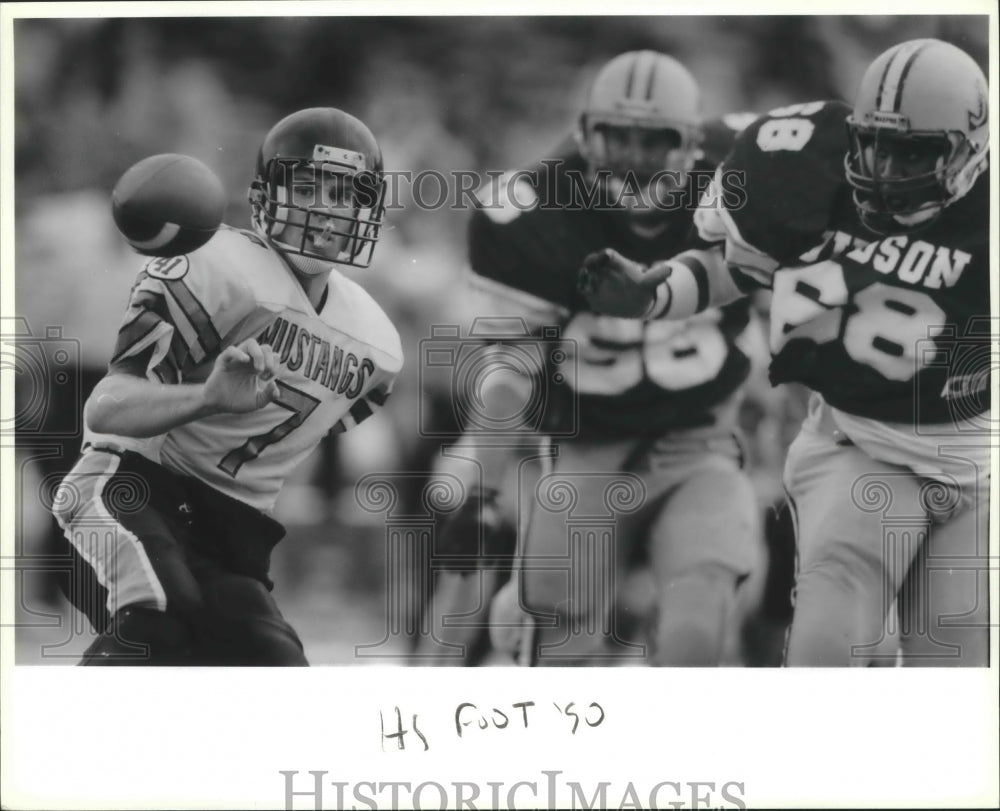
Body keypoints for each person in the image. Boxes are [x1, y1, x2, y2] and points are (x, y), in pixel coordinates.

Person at [580, 38, 990, 666]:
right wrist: (655, 297)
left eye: (914, 151)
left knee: (955, 683)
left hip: (976, 461)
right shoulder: (804, 161)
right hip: (863, 441)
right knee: (827, 648)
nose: (886, 169)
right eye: (874, 144)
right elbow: (735, 266)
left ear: (972, 148)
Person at [427, 51, 766, 667]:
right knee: (557, 644)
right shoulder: (531, 212)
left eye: (654, 140)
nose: (635, 158)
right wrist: (483, 492)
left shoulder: (743, 175)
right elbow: (511, 369)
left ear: (691, 144)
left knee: (699, 627)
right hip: (586, 447)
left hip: (699, 437)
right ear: (585, 133)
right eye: (618, 137)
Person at [51, 107, 403, 665]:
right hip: (131, 490)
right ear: (267, 197)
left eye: (344, 192)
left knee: (272, 664)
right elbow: (106, 408)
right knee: (159, 615)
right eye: (307, 187)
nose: (324, 209)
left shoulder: (375, 345)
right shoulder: (213, 266)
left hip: (229, 535)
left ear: (367, 206)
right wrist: (207, 398)